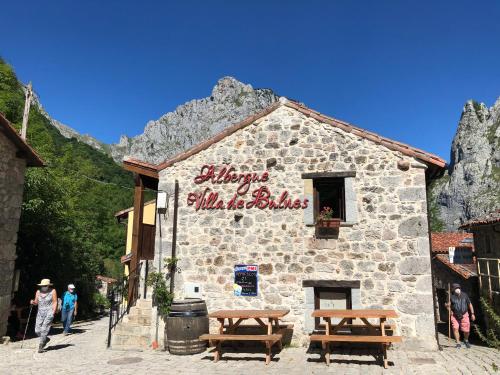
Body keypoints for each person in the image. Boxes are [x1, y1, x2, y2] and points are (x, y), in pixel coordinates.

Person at [30, 279, 57, 353]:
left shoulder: (53, 291)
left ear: (48, 286)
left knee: (44, 329)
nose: (43, 287)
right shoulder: (38, 292)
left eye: (45, 286)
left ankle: (41, 346)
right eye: (42, 286)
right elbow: (36, 302)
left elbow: (55, 302)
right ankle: (45, 339)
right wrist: (33, 302)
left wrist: (53, 312)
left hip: (49, 312)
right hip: (40, 313)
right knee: (37, 330)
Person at [447, 282, 475, 349]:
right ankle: (458, 343)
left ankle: (466, 340)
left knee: (466, 330)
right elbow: (448, 305)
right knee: (455, 328)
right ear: (453, 289)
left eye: (458, 287)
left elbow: (470, 304)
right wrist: (449, 310)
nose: (457, 289)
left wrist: (472, 314)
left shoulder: (464, 295)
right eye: (455, 288)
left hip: (464, 314)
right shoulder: (450, 296)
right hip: (454, 315)